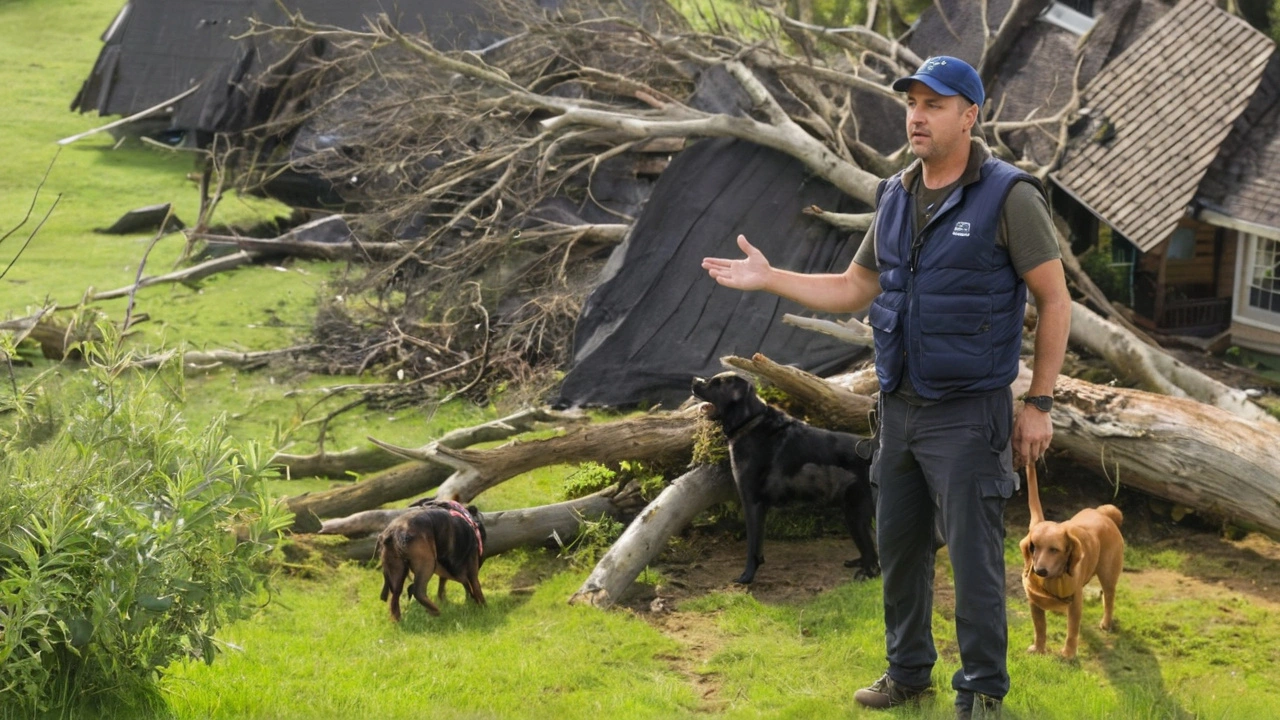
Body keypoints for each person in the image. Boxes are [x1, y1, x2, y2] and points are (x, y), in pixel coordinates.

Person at [700, 55, 1071, 719]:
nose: (917, 115)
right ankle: (908, 674)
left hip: (969, 414)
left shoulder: (1009, 196)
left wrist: (1039, 402)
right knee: (898, 549)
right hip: (896, 411)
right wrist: (770, 276)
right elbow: (854, 287)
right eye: (912, 102)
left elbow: (1055, 299)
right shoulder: (895, 195)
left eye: (934, 103)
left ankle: (983, 692)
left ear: (969, 115)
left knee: (975, 561)